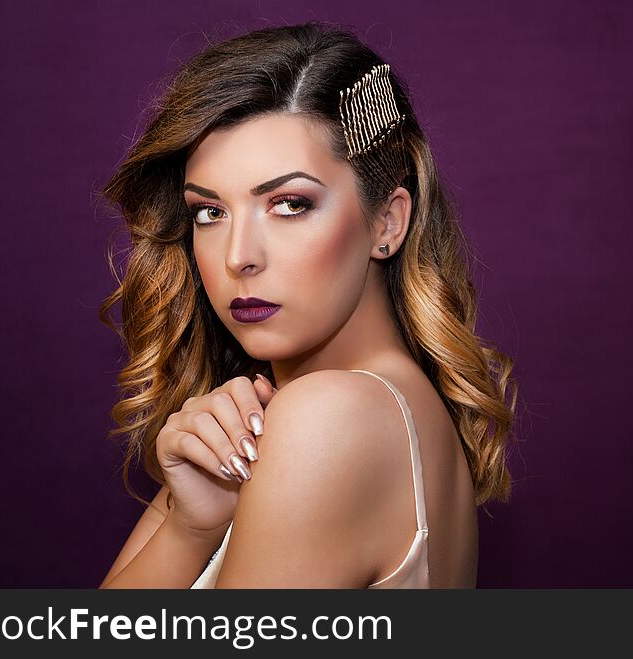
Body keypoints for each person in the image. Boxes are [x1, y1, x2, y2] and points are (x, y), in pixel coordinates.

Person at [96, 22, 517, 589]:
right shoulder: (315, 417)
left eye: (289, 204)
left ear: (386, 222)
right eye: (209, 212)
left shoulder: (330, 419)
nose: (238, 257)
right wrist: (188, 528)